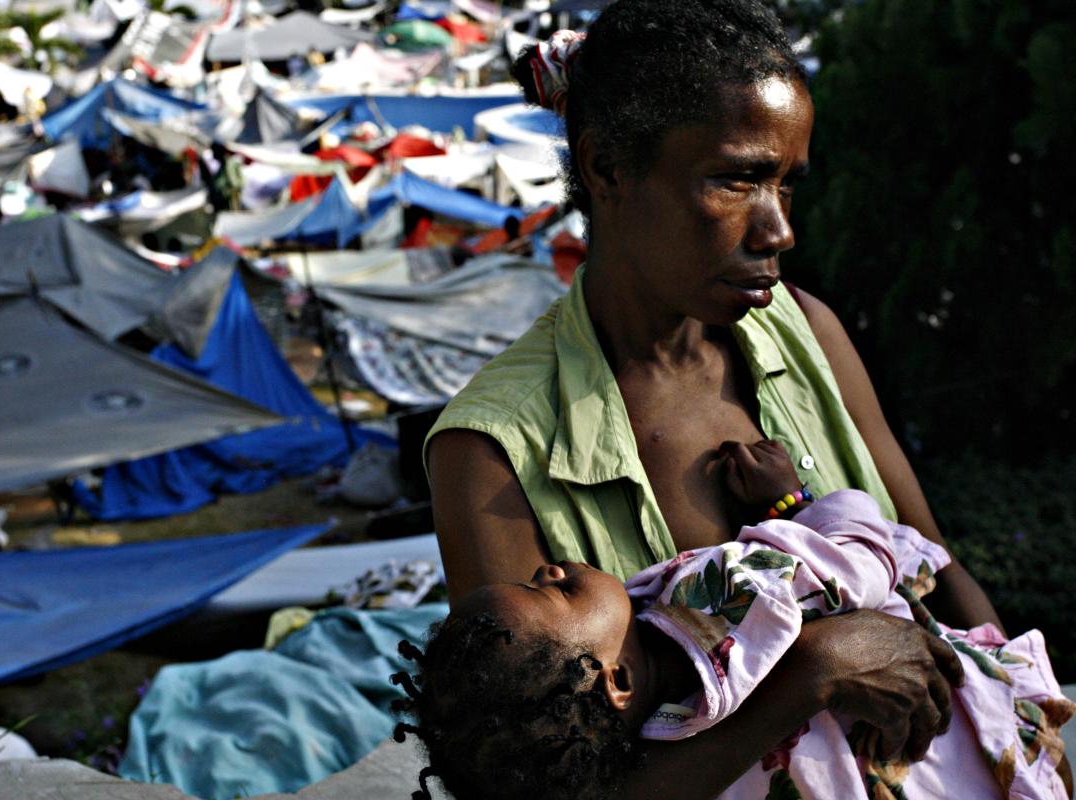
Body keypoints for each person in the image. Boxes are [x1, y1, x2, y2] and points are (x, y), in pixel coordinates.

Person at [423, 0, 1009, 795]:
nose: (778, 231)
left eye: (786, 185)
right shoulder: (493, 452)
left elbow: (940, 570)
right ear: (606, 169)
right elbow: (539, 783)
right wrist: (812, 671)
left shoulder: (805, 332)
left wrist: (1017, 729)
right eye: (737, 179)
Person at [394, 440, 1074, 800]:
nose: (544, 569)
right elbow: (855, 564)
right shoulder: (711, 602)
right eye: (550, 594)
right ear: (618, 681)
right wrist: (795, 505)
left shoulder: (660, 757)